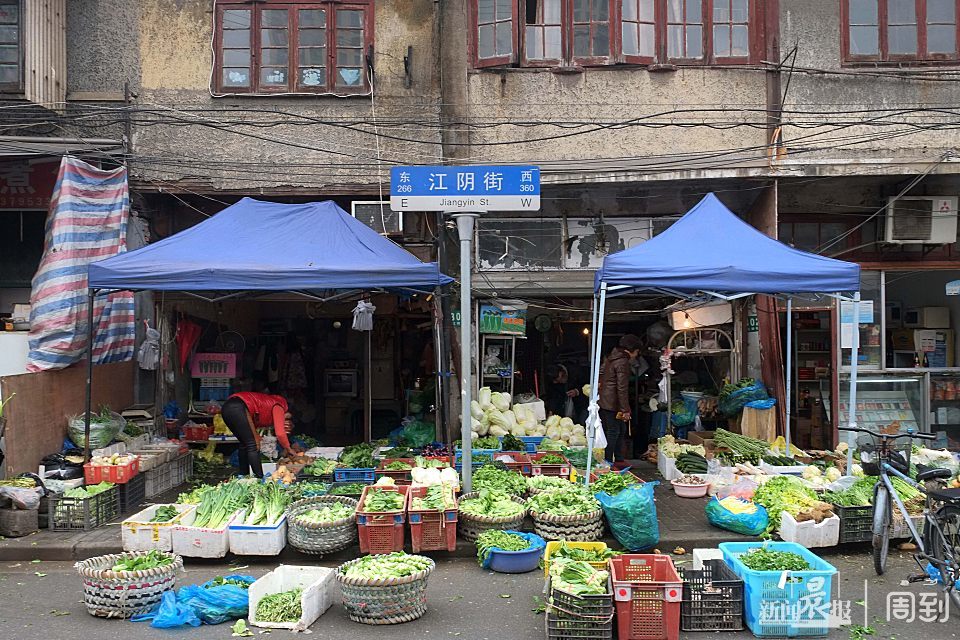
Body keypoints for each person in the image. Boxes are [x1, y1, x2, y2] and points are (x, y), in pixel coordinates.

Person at [220, 391, 294, 478]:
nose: (285, 420)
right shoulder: (279, 406)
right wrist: (288, 448)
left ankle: (243, 475)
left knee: (245, 443)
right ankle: (259, 478)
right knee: (253, 445)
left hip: (227, 408)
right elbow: (280, 433)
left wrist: (256, 436)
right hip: (239, 407)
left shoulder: (268, 404)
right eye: (287, 417)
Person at [598, 334, 642, 464]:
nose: (636, 356)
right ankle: (608, 460)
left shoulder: (611, 357)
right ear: (633, 350)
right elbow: (622, 388)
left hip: (605, 400)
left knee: (620, 429)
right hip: (613, 403)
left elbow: (600, 373)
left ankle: (618, 459)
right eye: (637, 352)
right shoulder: (622, 362)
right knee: (614, 431)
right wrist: (626, 410)